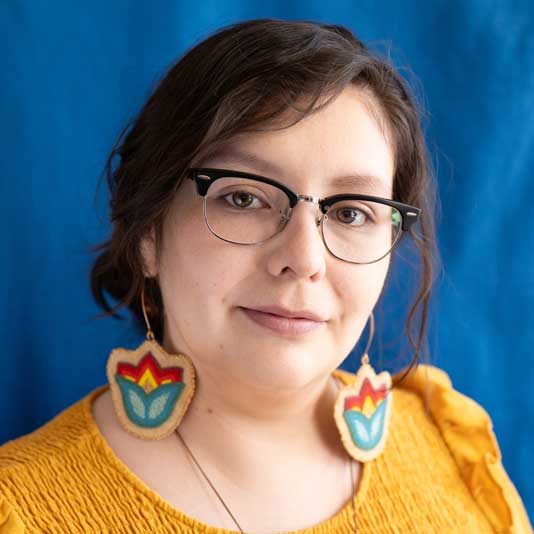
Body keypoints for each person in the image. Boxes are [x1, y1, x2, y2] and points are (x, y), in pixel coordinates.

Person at [0, 18, 531, 534]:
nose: (303, 259)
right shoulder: (23, 508)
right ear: (147, 235)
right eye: (244, 197)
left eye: (351, 212)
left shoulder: (453, 454)